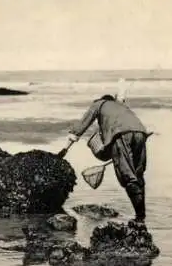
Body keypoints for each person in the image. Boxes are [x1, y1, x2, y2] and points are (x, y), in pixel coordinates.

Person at [57, 94, 151, 222]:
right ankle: (142, 216)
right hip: (141, 132)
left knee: (128, 177)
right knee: (138, 175)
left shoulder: (98, 104)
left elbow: (81, 126)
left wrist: (64, 149)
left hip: (120, 134)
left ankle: (139, 218)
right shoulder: (120, 105)